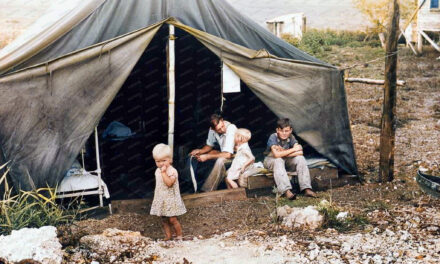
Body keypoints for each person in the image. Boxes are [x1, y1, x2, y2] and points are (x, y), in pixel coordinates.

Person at [264, 118, 316, 199]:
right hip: (271, 160)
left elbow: (300, 152)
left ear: (291, 130)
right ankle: (286, 191)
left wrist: (284, 152)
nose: (284, 133)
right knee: (278, 160)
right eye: (281, 131)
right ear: (277, 130)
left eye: (286, 131)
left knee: (300, 159)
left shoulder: (291, 137)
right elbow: (276, 155)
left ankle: (306, 188)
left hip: (285, 160)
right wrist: (293, 150)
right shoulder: (273, 137)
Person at [188, 113, 237, 192]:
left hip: (236, 156)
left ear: (222, 120)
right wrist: (200, 151)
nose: (222, 130)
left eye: (222, 126)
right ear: (213, 129)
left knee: (220, 160)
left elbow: (228, 154)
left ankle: (207, 190)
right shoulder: (212, 130)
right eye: (219, 129)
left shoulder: (231, 128)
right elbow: (209, 145)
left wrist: (207, 156)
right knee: (210, 152)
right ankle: (197, 183)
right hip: (225, 153)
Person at [150, 143, 187, 241]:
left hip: (171, 199)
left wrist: (163, 173)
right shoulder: (157, 171)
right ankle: (168, 236)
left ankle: (179, 236)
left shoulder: (172, 171)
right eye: (158, 161)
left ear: (170, 160)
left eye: (164, 160)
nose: (161, 163)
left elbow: (169, 183)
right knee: (164, 220)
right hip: (162, 198)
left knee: (172, 219)